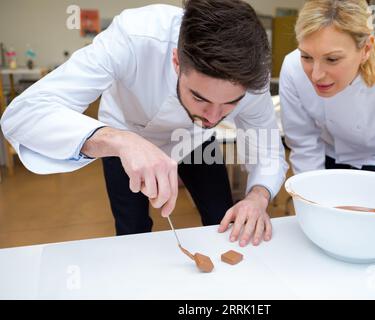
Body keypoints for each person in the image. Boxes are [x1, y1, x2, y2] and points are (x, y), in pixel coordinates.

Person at [0, 0, 287, 247]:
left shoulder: (252, 77)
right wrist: (119, 141)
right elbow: (23, 114)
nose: (213, 118)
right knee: (132, 231)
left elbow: (269, 152)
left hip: (194, 142)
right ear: (177, 61)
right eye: (200, 97)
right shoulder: (135, 36)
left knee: (221, 217)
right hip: (124, 134)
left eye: (230, 104)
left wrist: (258, 197)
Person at [280, 0, 375, 181]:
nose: (316, 75)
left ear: (366, 49)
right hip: (324, 158)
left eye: (332, 59)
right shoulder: (292, 68)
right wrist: (315, 194)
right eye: (306, 57)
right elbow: (304, 143)